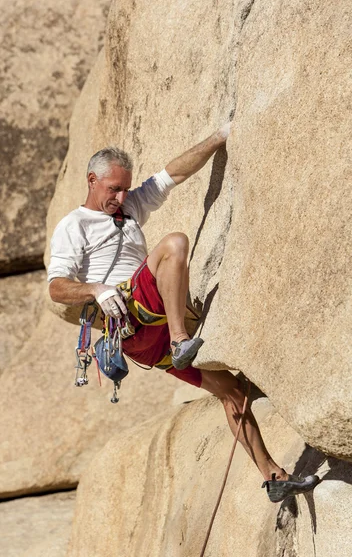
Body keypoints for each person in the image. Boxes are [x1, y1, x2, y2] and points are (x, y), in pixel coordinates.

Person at [48, 123, 320, 502]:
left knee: (232, 392)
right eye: (114, 188)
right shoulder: (73, 225)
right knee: (174, 243)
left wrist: (219, 137)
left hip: (147, 342)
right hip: (129, 315)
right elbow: (56, 286)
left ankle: (272, 475)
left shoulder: (128, 208)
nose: (122, 195)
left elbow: (171, 174)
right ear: (92, 180)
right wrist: (96, 287)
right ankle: (181, 339)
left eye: (125, 187)